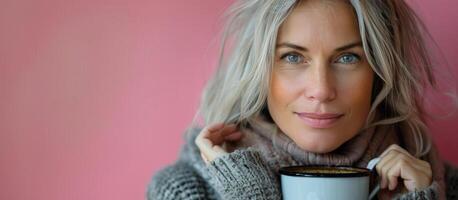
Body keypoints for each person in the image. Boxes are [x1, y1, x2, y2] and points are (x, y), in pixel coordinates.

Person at [147, 0, 458, 199]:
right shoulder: (182, 190)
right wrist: (249, 191)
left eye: (348, 58)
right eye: (293, 57)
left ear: (379, 73)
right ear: (260, 70)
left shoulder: (442, 185)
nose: (321, 90)